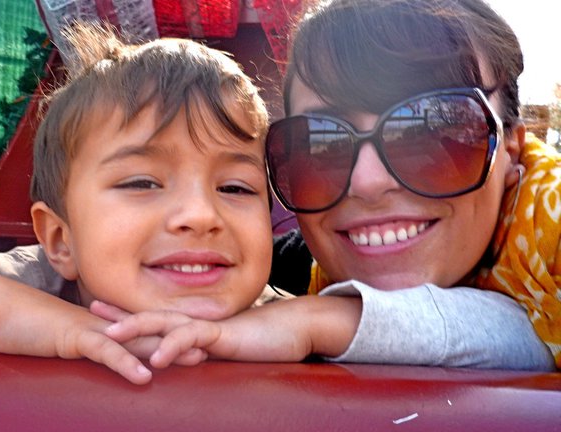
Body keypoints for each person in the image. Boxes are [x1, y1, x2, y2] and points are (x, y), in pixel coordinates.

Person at [96, 0, 559, 370]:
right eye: (320, 143)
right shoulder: (285, 269)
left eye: (432, 130)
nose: (368, 182)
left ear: (512, 148)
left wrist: (317, 319)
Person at [0, 23, 275, 384]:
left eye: (235, 188)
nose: (200, 215)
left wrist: (311, 324)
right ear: (60, 239)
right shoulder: (22, 288)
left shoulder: (279, 317)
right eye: (142, 182)